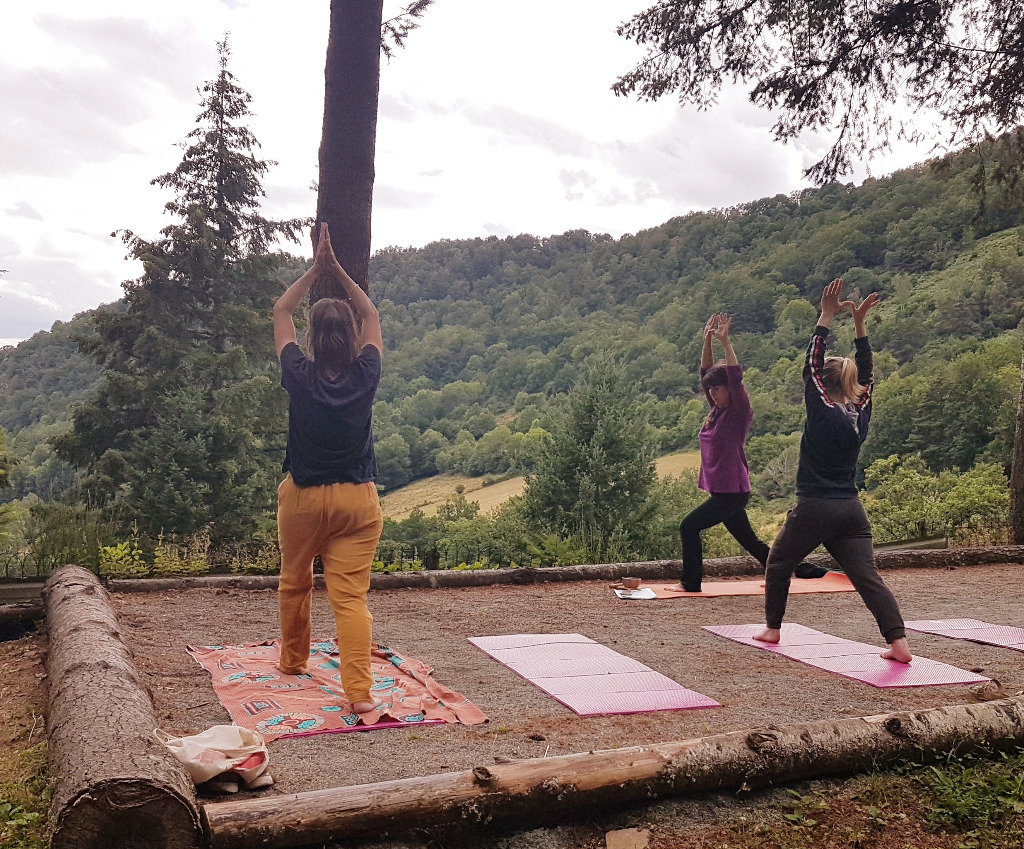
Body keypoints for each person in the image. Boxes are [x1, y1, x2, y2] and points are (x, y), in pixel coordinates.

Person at [754, 279, 912, 663]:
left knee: (778, 562)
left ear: (823, 384)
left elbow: (810, 366)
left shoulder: (824, 412)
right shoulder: (860, 413)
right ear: (852, 383)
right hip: (851, 511)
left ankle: (773, 629)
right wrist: (859, 326)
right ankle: (899, 644)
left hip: (815, 507)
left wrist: (826, 316)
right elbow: (868, 375)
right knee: (867, 577)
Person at [272, 222, 385, 714]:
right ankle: (359, 696)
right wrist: (338, 270)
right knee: (351, 599)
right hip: (358, 501)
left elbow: (281, 311)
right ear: (353, 337)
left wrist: (314, 270)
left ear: (315, 336)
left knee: (295, 581)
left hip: (303, 498)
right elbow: (371, 312)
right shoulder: (367, 373)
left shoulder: (299, 374)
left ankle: (294, 662)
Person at [674, 314, 828, 591]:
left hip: (731, 491)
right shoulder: (717, 411)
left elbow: (734, 376)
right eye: (710, 390)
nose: (712, 393)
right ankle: (797, 569)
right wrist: (707, 341)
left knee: (689, 527)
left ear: (730, 391)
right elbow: (705, 373)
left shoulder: (737, 412)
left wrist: (725, 341)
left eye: (717, 389)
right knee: (749, 541)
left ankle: (691, 582)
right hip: (724, 491)